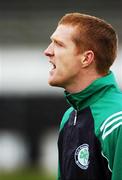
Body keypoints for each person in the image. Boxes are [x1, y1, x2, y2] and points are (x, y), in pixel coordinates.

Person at [44, 12, 122, 180]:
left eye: (58, 44)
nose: (47, 51)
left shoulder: (117, 121)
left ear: (86, 58)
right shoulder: (69, 117)